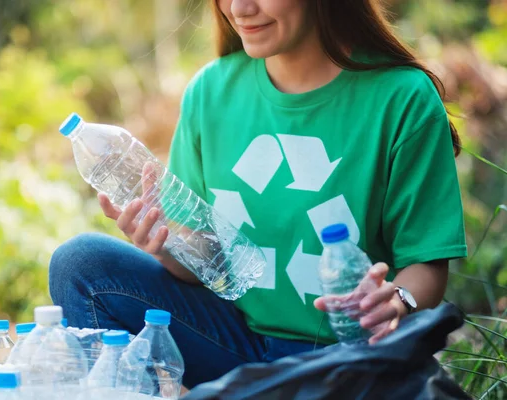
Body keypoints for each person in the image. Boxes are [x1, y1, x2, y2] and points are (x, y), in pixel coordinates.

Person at [49, 0, 467, 389]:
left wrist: (395, 302)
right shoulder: (210, 92)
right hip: (234, 345)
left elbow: (426, 265)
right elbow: (203, 264)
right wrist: (162, 245)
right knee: (81, 264)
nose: (240, 8)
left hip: (348, 354)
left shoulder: (401, 97)